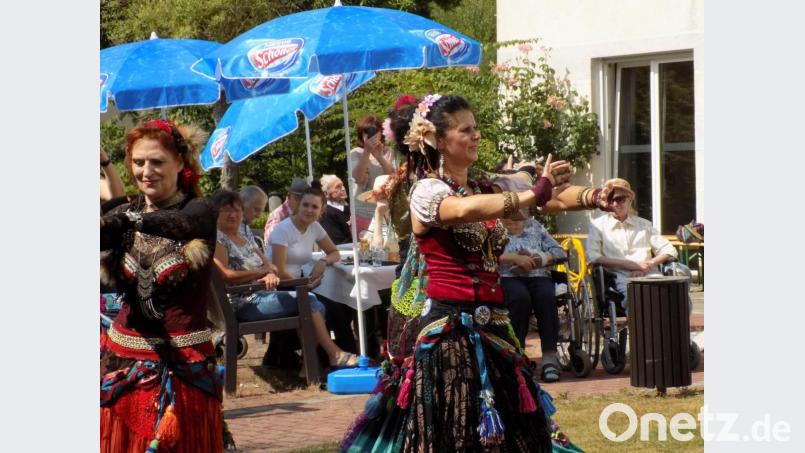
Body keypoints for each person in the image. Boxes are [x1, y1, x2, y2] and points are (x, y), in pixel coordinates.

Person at [340, 94, 598, 452]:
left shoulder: (484, 185)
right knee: (458, 431)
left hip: (495, 326)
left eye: (476, 128)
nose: (476, 135)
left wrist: (596, 196)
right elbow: (462, 211)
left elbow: (550, 198)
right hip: (450, 334)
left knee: (521, 430)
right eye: (466, 129)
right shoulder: (426, 191)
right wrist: (530, 194)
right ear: (438, 140)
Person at [100, 119, 229, 452]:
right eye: (139, 162)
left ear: (181, 163)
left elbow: (183, 225)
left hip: (183, 368)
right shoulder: (124, 211)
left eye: (157, 162)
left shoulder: (199, 210)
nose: (146, 171)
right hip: (120, 362)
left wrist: (127, 219)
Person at [211, 189, 359, 369]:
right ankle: (332, 355)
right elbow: (226, 276)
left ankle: (309, 367)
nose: (233, 215)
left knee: (326, 306)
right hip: (243, 302)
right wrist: (263, 272)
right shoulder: (219, 239)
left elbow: (269, 265)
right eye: (226, 210)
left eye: (237, 210)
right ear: (216, 212)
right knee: (312, 302)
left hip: (264, 293)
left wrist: (269, 272)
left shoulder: (243, 235)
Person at [268, 184, 358, 353]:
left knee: (341, 306)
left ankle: (344, 355)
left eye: (314, 206)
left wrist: (323, 261)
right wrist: (304, 285)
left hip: (298, 284)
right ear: (298, 205)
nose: (309, 210)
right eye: (306, 205)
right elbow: (278, 271)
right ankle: (334, 357)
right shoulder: (283, 229)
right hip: (278, 286)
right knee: (329, 309)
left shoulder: (314, 227)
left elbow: (334, 253)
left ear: (321, 210)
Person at [499, 208, 566, 382]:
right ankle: (517, 355)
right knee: (520, 298)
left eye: (516, 221)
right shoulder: (495, 230)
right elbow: (486, 256)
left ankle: (550, 358)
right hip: (507, 277)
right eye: (508, 221)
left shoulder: (535, 227)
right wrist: (513, 258)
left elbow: (559, 252)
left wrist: (539, 258)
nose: (511, 224)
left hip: (538, 275)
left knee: (546, 296)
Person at [586, 177, 678, 300]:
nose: (614, 204)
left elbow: (669, 250)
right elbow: (593, 256)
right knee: (636, 298)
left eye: (620, 199)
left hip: (650, 274)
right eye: (610, 199)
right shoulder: (598, 226)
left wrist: (648, 265)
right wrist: (630, 265)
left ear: (630, 200)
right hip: (617, 277)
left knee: (679, 298)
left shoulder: (644, 225)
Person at [350, 115, 396, 234]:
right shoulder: (355, 153)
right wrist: (367, 152)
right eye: (366, 132)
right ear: (361, 134)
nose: (369, 135)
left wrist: (379, 156)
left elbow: (394, 179)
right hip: (363, 213)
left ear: (381, 133)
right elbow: (359, 179)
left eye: (374, 131)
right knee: (366, 249)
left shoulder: (388, 152)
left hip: (386, 212)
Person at [263, 177, 310, 248]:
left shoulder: (301, 215)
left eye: (304, 199)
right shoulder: (278, 215)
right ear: (289, 196)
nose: (301, 202)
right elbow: (271, 243)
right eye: (297, 198)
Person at [319, 174, 352, 245]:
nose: (343, 189)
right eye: (338, 187)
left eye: (342, 185)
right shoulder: (326, 213)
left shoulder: (348, 207)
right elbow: (338, 243)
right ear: (326, 194)